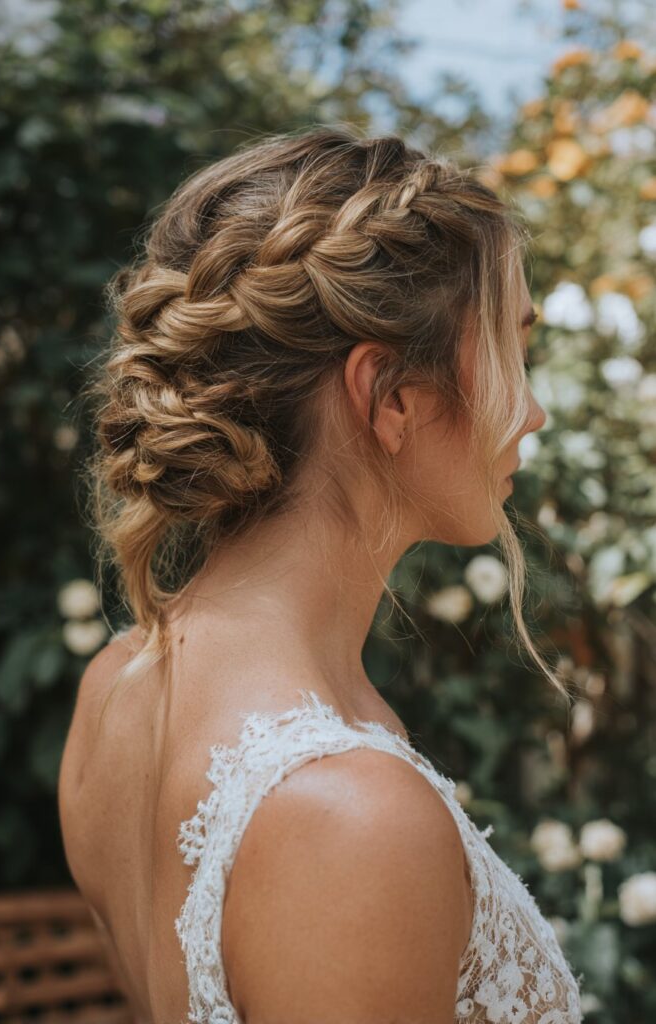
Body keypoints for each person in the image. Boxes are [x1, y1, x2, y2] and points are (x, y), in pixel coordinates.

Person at [58, 126, 584, 1023]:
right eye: (510, 351)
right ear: (390, 395)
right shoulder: (350, 815)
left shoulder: (114, 691)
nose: (530, 412)